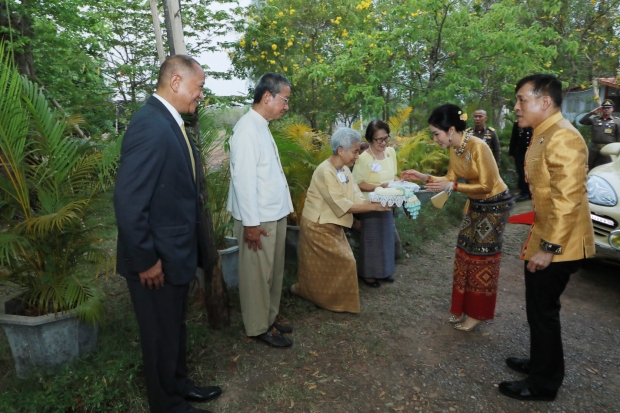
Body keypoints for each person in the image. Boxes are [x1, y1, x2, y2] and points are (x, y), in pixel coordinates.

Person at [114, 55, 221, 413]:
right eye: (199, 87)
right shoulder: (149, 125)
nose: (200, 95)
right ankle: (167, 405)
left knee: (173, 329)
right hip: (154, 261)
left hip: (174, 254)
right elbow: (129, 203)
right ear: (176, 83)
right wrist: (146, 261)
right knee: (158, 336)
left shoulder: (170, 122)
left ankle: (178, 385)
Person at [497, 74, 596, 402]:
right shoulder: (543, 133)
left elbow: (568, 198)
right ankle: (541, 364)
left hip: (561, 244)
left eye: (522, 99)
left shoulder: (562, 137)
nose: (516, 106)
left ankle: (543, 383)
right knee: (538, 308)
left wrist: (549, 248)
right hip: (549, 237)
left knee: (543, 311)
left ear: (545, 102)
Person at [401, 104, 513, 332]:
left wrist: (453, 185)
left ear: (451, 129)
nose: (435, 140)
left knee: (482, 259)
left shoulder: (478, 146)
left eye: (436, 134)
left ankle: (477, 313)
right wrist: (424, 176)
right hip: (476, 202)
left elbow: (488, 185)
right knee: (464, 254)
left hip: (494, 205)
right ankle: (463, 308)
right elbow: (450, 179)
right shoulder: (455, 148)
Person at [290, 128, 392, 312]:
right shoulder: (325, 171)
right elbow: (342, 204)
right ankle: (324, 298)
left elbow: (355, 196)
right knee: (337, 263)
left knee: (332, 264)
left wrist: (379, 199)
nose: (357, 156)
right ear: (340, 150)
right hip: (317, 225)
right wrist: (376, 206)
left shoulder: (344, 169)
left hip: (334, 225)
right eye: (355, 151)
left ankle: (326, 297)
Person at [227, 73, 294, 348]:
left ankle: (270, 316)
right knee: (257, 275)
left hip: (273, 212)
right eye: (284, 100)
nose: (286, 106)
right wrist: (251, 225)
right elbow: (244, 182)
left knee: (273, 271)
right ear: (267, 96)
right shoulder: (246, 130)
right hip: (258, 217)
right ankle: (257, 327)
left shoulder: (261, 125)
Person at [352, 120, 399, 287]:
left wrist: (400, 185)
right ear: (371, 139)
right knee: (371, 240)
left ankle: (385, 271)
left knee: (386, 239)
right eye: (379, 140)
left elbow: (393, 176)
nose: (383, 143)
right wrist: (379, 187)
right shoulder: (363, 158)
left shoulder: (390, 153)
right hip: (370, 204)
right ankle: (368, 274)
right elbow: (357, 183)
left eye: (386, 138)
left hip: (388, 203)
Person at [578, 99, 620, 169]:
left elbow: (619, 136)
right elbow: (582, 121)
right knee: (588, 166)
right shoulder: (595, 119)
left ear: (612, 109)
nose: (606, 109)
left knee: (605, 168)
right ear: (601, 109)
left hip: (608, 149)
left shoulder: (617, 121)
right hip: (593, 148)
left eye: (608, 107)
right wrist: (592, 112)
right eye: (604, 107)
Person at [508, 123, 533, 202]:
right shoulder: (517, 124)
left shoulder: (534, 121)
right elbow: (513, 138)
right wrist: (511, 153)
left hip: (532, 152)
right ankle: (524, 192)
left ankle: (531, 192)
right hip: (519, 153)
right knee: (521, 172)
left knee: (531, 172)